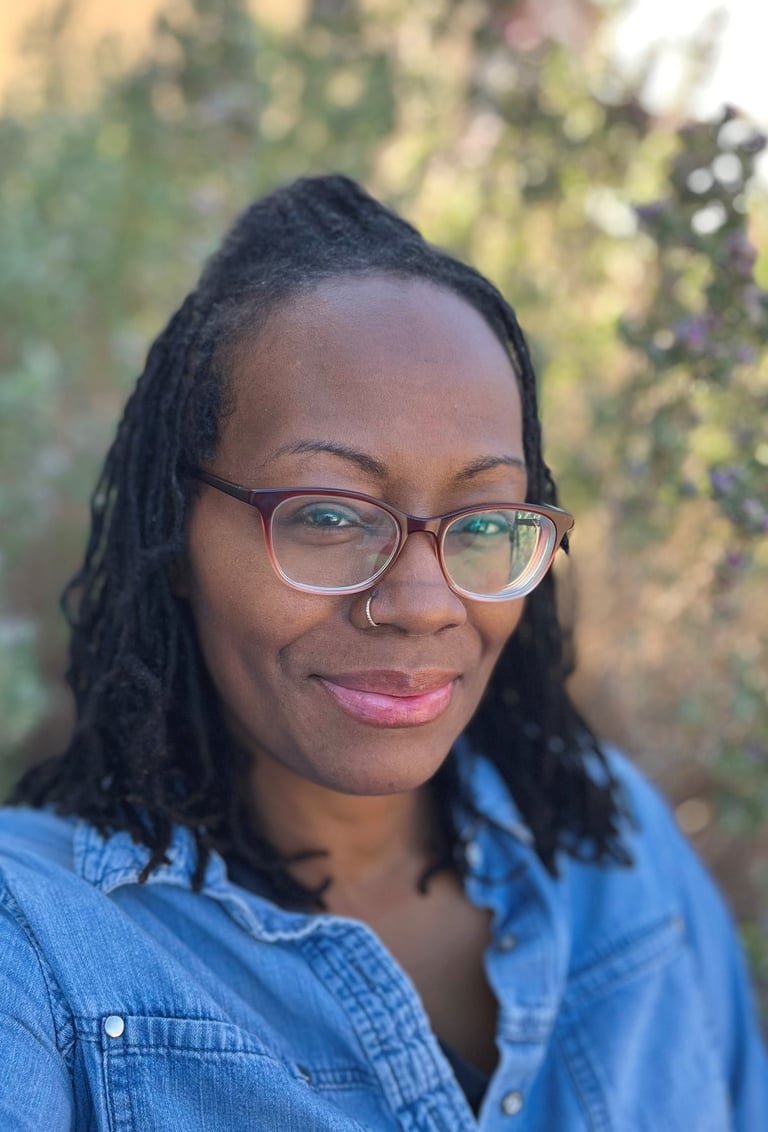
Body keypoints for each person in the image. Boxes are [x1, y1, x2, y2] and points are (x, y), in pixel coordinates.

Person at [0, 174, 765, 1131]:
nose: (422, 605)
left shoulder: (618, 845)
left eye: (485, 520)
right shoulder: (35, 946)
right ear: (176, 536)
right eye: (327, 515)